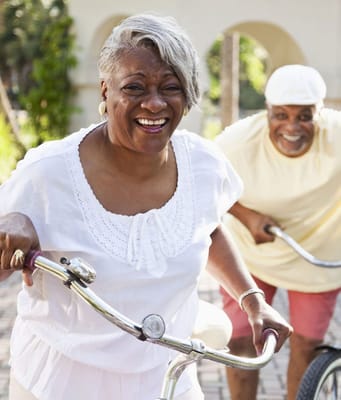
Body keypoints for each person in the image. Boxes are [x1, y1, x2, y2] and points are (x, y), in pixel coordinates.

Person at [0, 14, 292, 400]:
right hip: (60, 380)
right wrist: (12, 222)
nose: (154, 103)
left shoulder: (204, 165)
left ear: (186, 96)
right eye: (134, 87)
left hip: (165, 376)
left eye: (170, 87)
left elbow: (205, 229)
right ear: (105, 91)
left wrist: (253, 301)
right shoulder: (47, 174)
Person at [215, 64, 341, 400]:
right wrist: (245, 215)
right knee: (240, 337)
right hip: (251, 252)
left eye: (304, 116)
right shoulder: (237, 141)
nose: (291, 127)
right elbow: (204, 186)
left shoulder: (338, 135)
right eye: (280, 115)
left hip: (317, 254)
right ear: (267, 112)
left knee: (307, 344)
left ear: (320, 112)